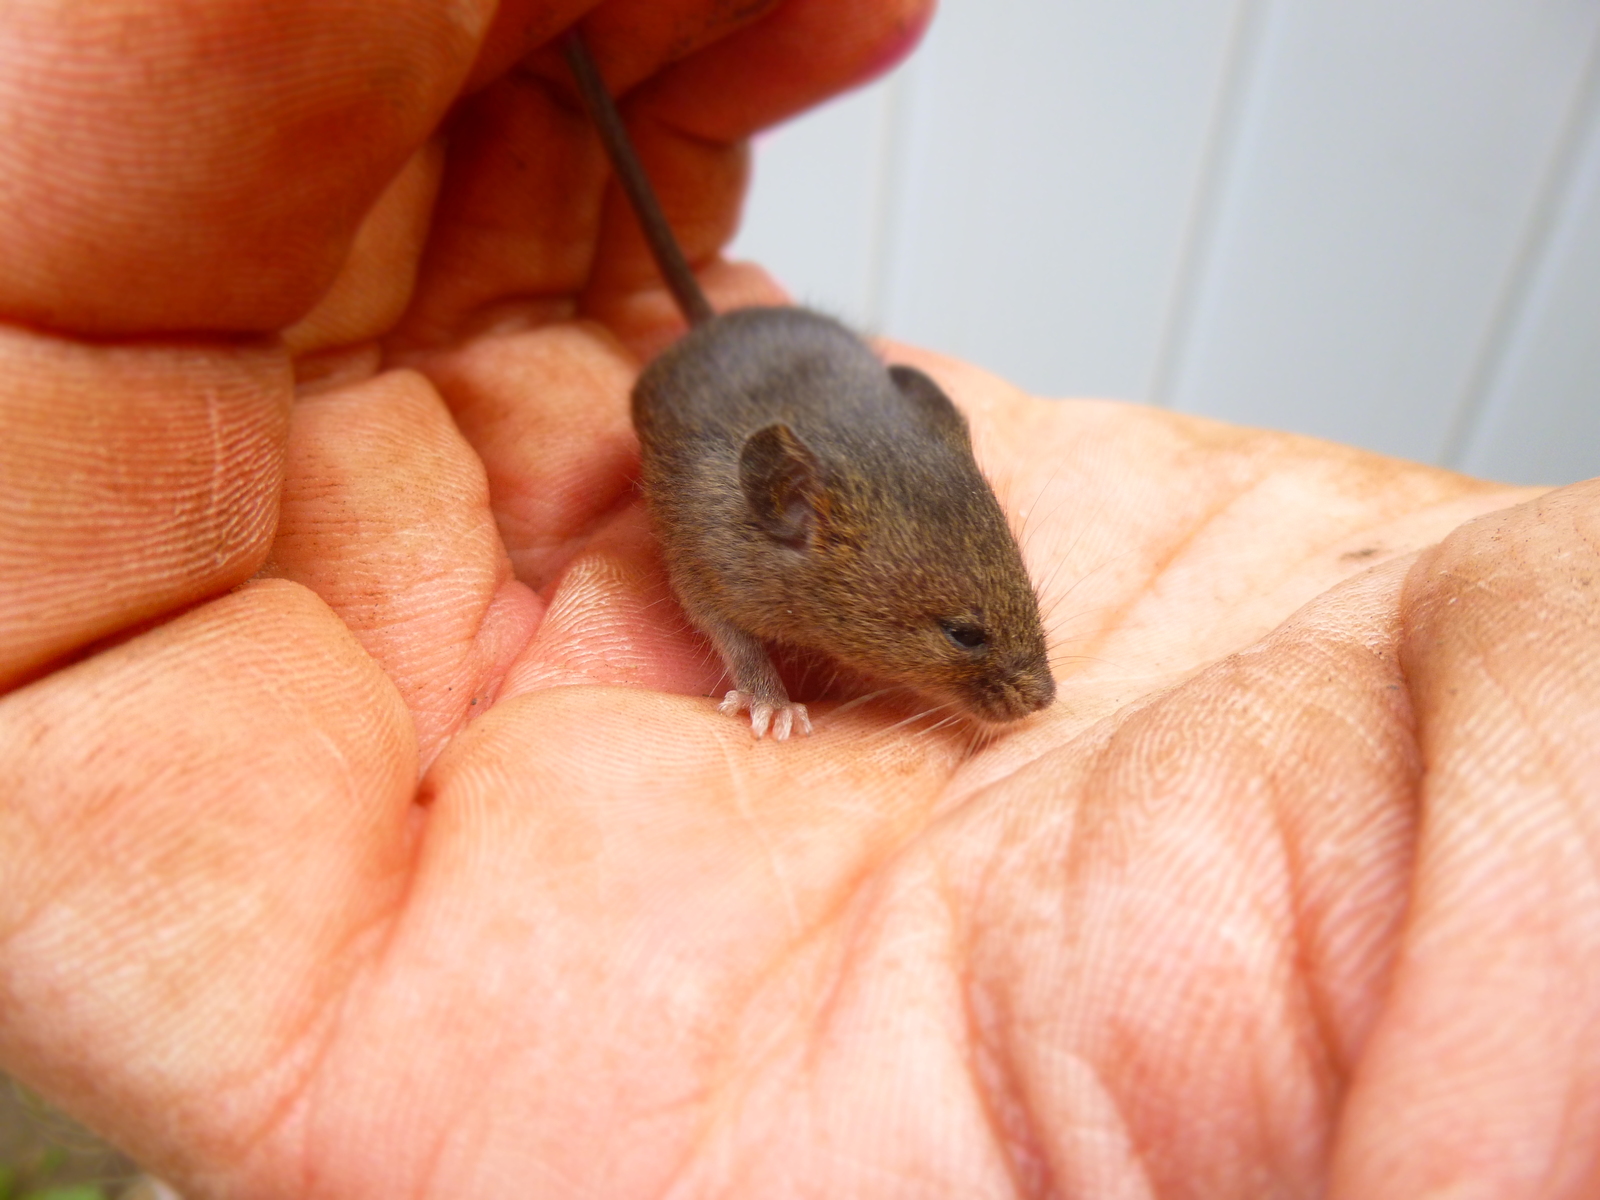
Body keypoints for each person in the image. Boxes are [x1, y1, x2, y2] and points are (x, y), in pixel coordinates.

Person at [1, 1, 1595, 1196]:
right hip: (746, 389)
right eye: (968, 645)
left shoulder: (899, 478)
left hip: (826, 385)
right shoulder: (741, 532)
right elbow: (707, 576)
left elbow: (906, 411)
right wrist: (751, 675)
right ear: (798, 525)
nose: (1003, 674)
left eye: (991, 626)